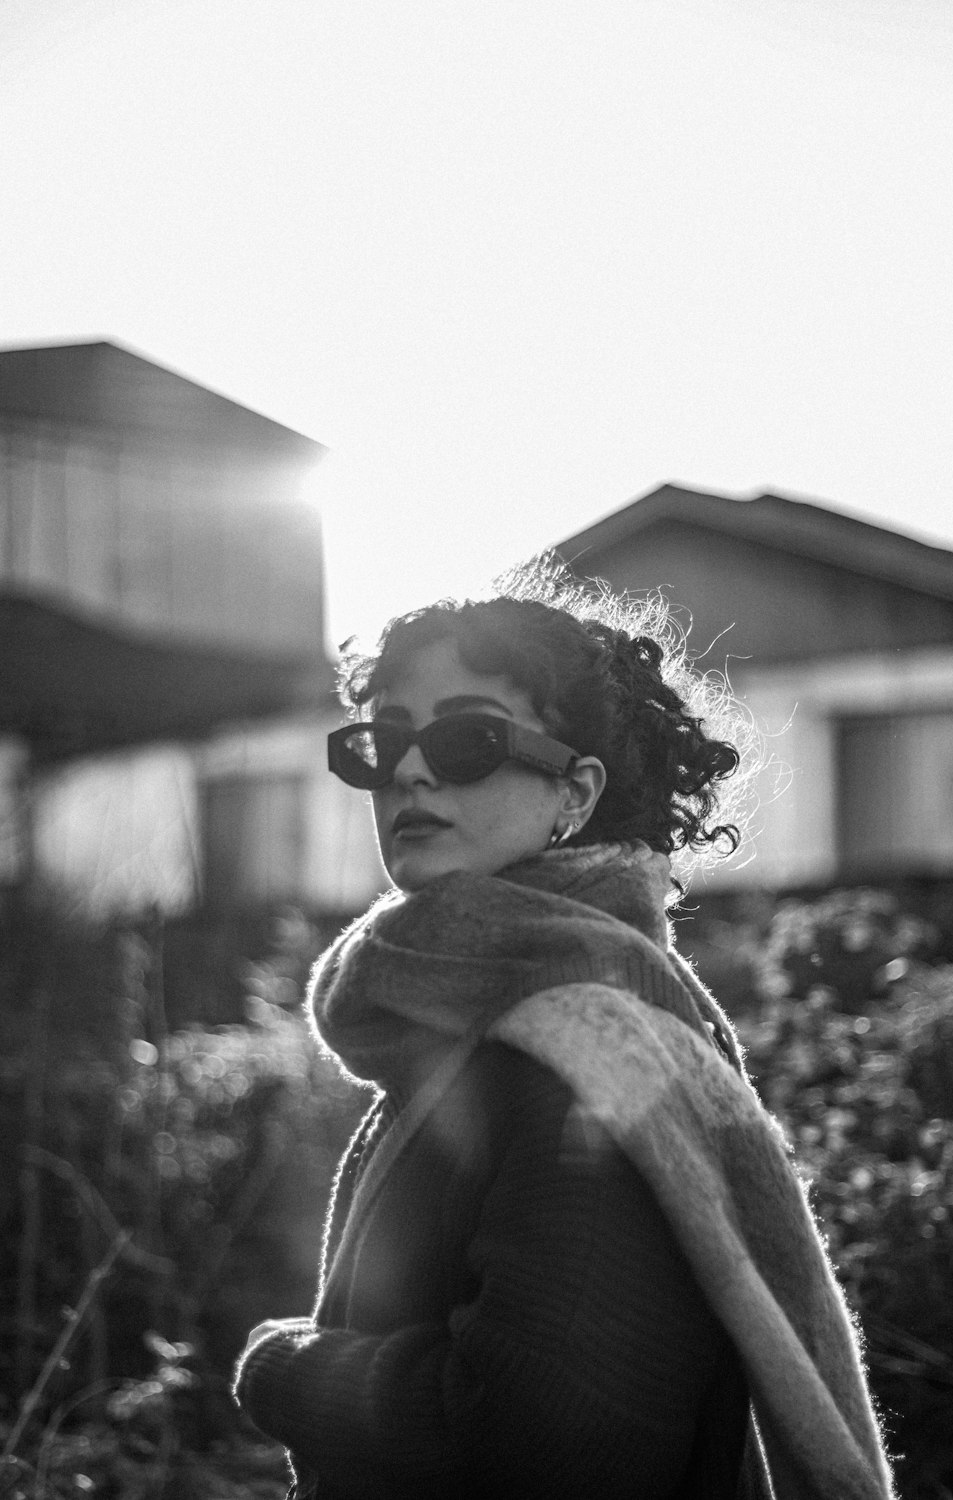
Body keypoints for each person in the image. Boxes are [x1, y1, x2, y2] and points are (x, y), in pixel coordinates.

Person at [233, 562, 896, 1500]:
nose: (411, 770)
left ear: (575, 794)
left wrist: (289, 1373)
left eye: (468, 740)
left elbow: (543, 1440)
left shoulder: (584, 1053)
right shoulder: (472, 1029)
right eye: (381, 746)